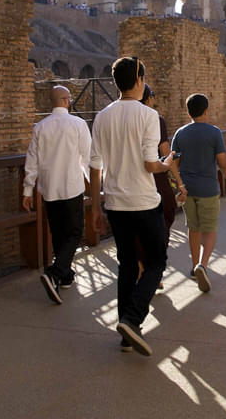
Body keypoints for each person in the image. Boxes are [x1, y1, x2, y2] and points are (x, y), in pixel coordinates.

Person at [88, 57, 175, 357]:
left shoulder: (102, 117)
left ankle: (126, 334)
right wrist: (168, 164)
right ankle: (133, 318)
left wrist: (96, 207)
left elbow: (95, 165)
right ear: (139, 80)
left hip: (114, 201)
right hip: (144, 201)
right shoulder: (148, 116)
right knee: (156, 261)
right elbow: (151, 164)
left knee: (126, 264)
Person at [22, 85, 93, 305]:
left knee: (59, 232)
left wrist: (27, 190)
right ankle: (54, 272)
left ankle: (65, 276)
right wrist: (96, 184)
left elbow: (31, 160)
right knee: (74, 231)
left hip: (49, 188)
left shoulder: (40, 127)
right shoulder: (78, 124)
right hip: (71, 187)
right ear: (66, 100)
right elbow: (87, 158)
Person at [171, 93, 226, 293]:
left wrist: (179, 188)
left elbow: (173, 165)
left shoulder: (180, 133)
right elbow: (224, 164)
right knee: (209, 229)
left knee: (193, 228)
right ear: (206, 110)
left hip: (188, 189)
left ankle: (194, 267)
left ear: (188, 111)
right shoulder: (214, 133)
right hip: (208, 189)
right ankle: (203, 264)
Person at [140, 85, 187, 290]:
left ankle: (143, 267)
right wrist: (179, 182)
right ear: (149, 98)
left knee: (137, 229)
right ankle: (154, 270)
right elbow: (166, 153)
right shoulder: (155, 120)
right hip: (155, 179)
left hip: (130, 181)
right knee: (165, 219)